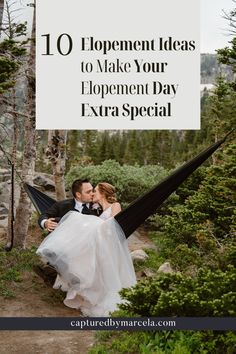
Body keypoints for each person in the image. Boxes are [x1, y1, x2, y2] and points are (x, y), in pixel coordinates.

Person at [36, 182, 136, 316]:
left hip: (97, 247)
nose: (92, 194)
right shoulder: (63, 205)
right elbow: (44, 215)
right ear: (78, 194)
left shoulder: (97, 209)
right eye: (89, 192)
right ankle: (60, 273)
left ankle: (87, 292)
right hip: (68, 246)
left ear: (102, 193)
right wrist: (46, 222)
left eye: (93, 191)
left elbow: (111, 226)